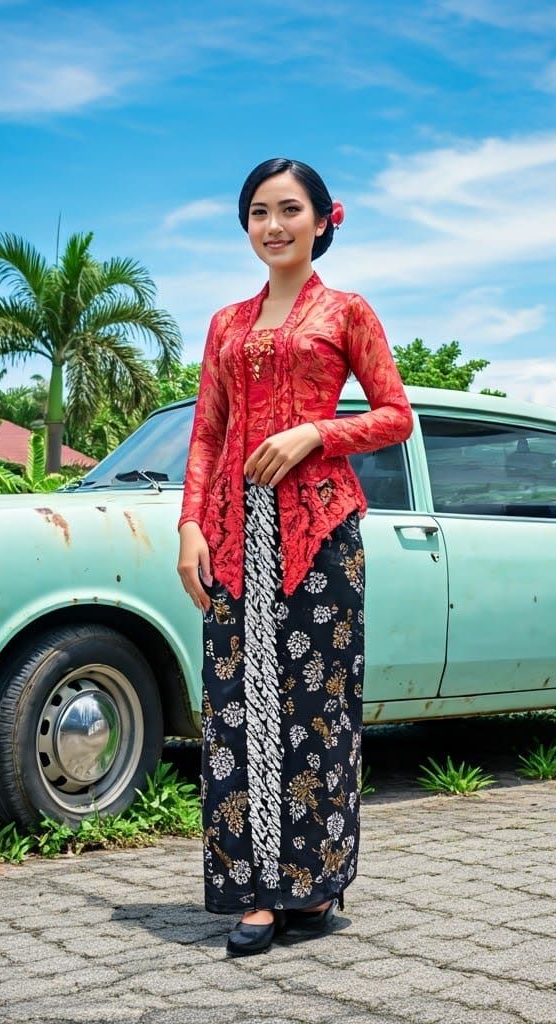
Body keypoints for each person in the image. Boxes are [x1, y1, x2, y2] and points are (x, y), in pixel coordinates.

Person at [176, 157, 413, 958]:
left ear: (322, 220)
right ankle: (255, 891)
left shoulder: (347, 311)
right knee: (238, 708)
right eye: (257, 213)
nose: (272, 226)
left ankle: (311, 883)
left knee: (319, 710)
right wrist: (190, 528)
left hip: (320, 532)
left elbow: (395, 416)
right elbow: (207, 433)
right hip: (237, 533)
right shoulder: (224, 324)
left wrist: (316, 431)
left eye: (288, 210)